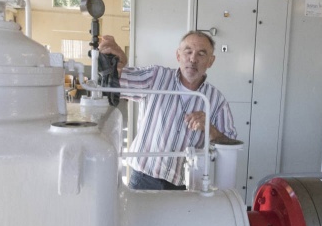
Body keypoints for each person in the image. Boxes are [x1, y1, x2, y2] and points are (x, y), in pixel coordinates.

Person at [99, 31, 237, 190]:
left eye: (201, 53)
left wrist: (210, 128)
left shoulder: (216, 100)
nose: (193, 59)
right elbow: (116, 85)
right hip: (144, 178)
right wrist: (118, 64)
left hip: (184, 185)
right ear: (178, 56)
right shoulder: (156, 77)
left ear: (210, 61)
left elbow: (230, 145)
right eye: (188, 52)